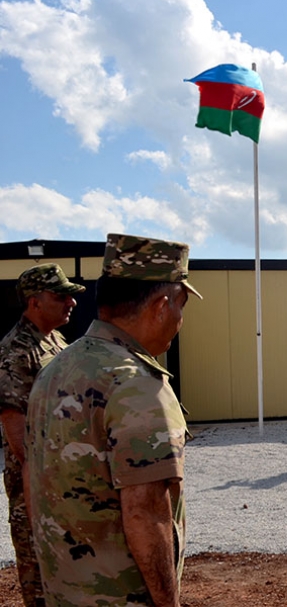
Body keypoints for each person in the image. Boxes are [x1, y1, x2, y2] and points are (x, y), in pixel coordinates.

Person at [26, 233, 200, 607]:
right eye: (181, 306)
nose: (180, 320)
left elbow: (31, 478)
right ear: (161, 306)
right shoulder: (137, 385)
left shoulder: (53, 370)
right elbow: (145, 514)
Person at [0, 264, 85, 606]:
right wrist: (49, 483)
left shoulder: (54, 341)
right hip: (37, 492)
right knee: (41, 582)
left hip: (64, 485)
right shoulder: (17, 351)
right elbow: (15, 428)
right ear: (34, 302)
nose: (71, 303)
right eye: (60, 296)